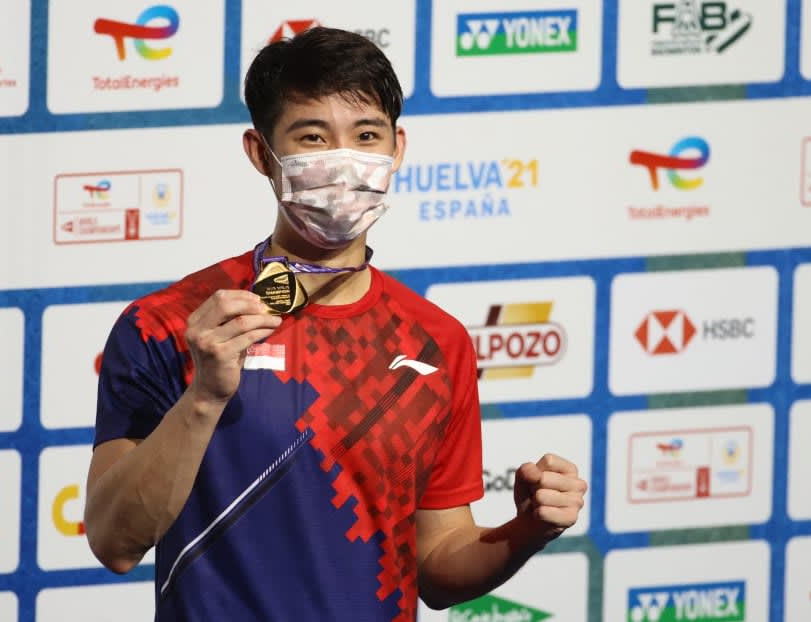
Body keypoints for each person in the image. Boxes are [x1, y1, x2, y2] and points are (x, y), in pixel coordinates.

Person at [85, 27, 587, 621]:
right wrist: (203, 399)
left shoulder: (436, 339)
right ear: (260, 153)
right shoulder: (168, 323)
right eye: (313, 137)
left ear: (397, 150)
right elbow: (114, 543)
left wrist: (526, 530)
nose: (343, 161)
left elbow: (438, 565)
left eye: (366, 135)